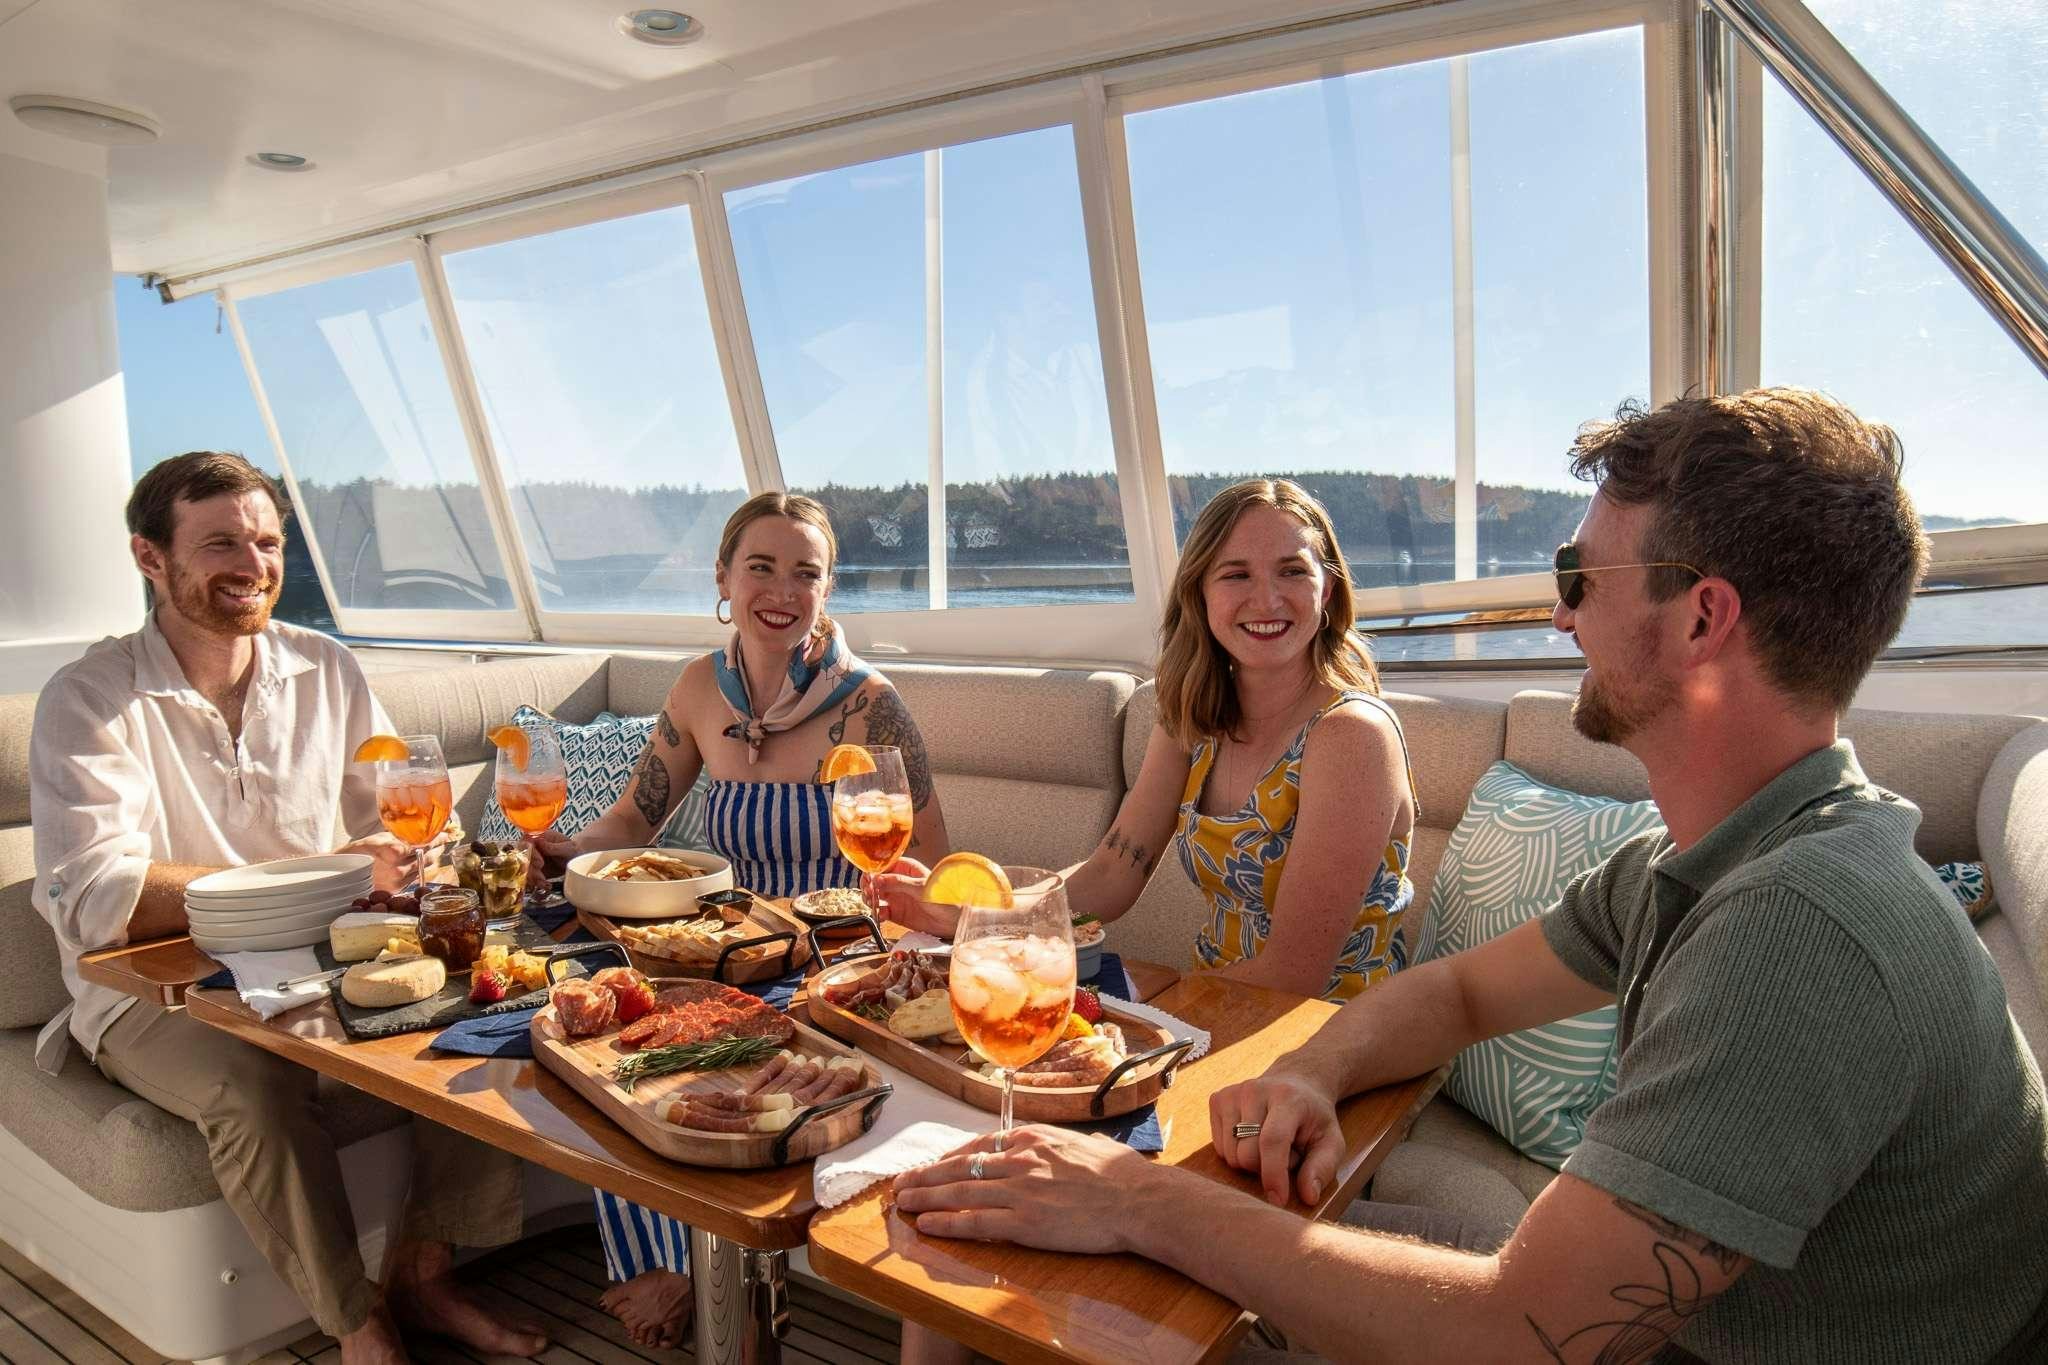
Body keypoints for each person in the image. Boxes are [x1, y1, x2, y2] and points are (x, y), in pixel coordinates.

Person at [892, 390, 2048, 1362]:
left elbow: (1515, 1335)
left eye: (1580, 577)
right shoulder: (1696, 859)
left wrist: (1131, 1196)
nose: (1556, 615)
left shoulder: (1797, 929)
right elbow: (1449, 995)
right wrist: (1308, 1071)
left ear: (1700, 619)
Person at [30, 452, 546, 1365]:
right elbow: (98, 899)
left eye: (267, 541)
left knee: (491, 1005)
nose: (254, 563)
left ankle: (424, 1277)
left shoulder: (327, 667)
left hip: (325, 957)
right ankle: (360, 1325)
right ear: (151, 557)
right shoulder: (90, 697)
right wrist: (333, 871)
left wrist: (414, 864)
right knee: (252, 1083)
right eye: (221, 541)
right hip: (155, 992)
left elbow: (383, 829)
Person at [537, 489, 950, 1348]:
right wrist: (563, 850)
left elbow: (933, 869)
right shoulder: (699, 689)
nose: (782, 588)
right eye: (761, 565)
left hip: (835, 959)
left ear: (827, 591)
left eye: (806, 572)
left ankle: (695, 1273)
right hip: (726, 957)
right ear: (724, 578)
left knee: (704, 1067)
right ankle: (673, 1255)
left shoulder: (871, 705)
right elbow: (632, 823)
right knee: (608, 1040)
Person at [882, 478, 1415, 1002]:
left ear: (1329, 589)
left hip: (1326, 1041)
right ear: (1200, 593)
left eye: (1292, 571)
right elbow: (1113, 873)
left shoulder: (1351, 736)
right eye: (1235, 575)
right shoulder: (1193, 714)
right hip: (1214, 1006)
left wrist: (1145, 1010)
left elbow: (1293, 975)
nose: (1266, 598)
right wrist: (975, 916)